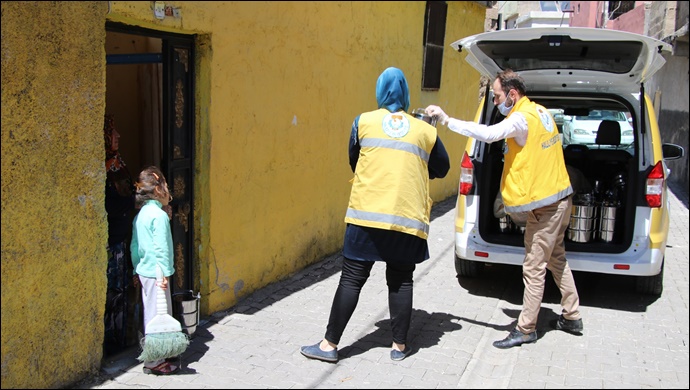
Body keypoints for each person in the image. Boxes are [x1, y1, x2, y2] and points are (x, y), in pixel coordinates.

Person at [300, 67, 450, 363]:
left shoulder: (363, 122)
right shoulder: (426, 130)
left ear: (380, 92)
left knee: (351, 280)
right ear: (406, 94)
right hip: (405, 220)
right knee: (401, 281)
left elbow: (354, 161)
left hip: (366, 218)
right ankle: (399, 348)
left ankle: (329, 346)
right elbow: (442, 169)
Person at [426, 69, 583, 349]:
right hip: (561, 201)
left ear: (513, 94)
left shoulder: (521, 118)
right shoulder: (540, 113)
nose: (496, 102)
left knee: (534, 268)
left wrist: (447, 121)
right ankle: (572, 315)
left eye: (497, 96)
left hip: (546, 208)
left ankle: (526, 328)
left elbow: (488, 134)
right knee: (557, 258)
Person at [130, 166, 179, 375]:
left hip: (145, 271)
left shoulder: (141, 215)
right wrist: (165, 273)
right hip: (157, 274)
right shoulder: (158, 216)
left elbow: (134, 246)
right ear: (158, 189)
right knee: (157, 315)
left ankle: (158, 354)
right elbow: (161, 247)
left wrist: (135, 269)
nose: (168, 189)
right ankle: (154, 360)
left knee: (151, 312)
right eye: (165, 185)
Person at [103, 114, 135, 356]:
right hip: (110, 243)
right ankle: (109, 344)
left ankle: (121, 339)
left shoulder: (117, 162)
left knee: (122, 292)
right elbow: (109, 205)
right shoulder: (101, 168)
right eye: (113, 132)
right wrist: (135, 202)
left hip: (122, 241)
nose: (118, 136)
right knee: (111, 295)